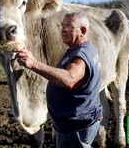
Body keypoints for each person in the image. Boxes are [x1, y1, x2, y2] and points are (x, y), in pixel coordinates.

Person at [15, 12, 102, 148]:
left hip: (75, 128)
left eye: (69, 27)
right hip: (74, 123)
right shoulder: (80, 48)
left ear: (83, 31)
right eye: (62, 26)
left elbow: (69, 79)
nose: (63, 30)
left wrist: (33, 64)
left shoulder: (81, 55)